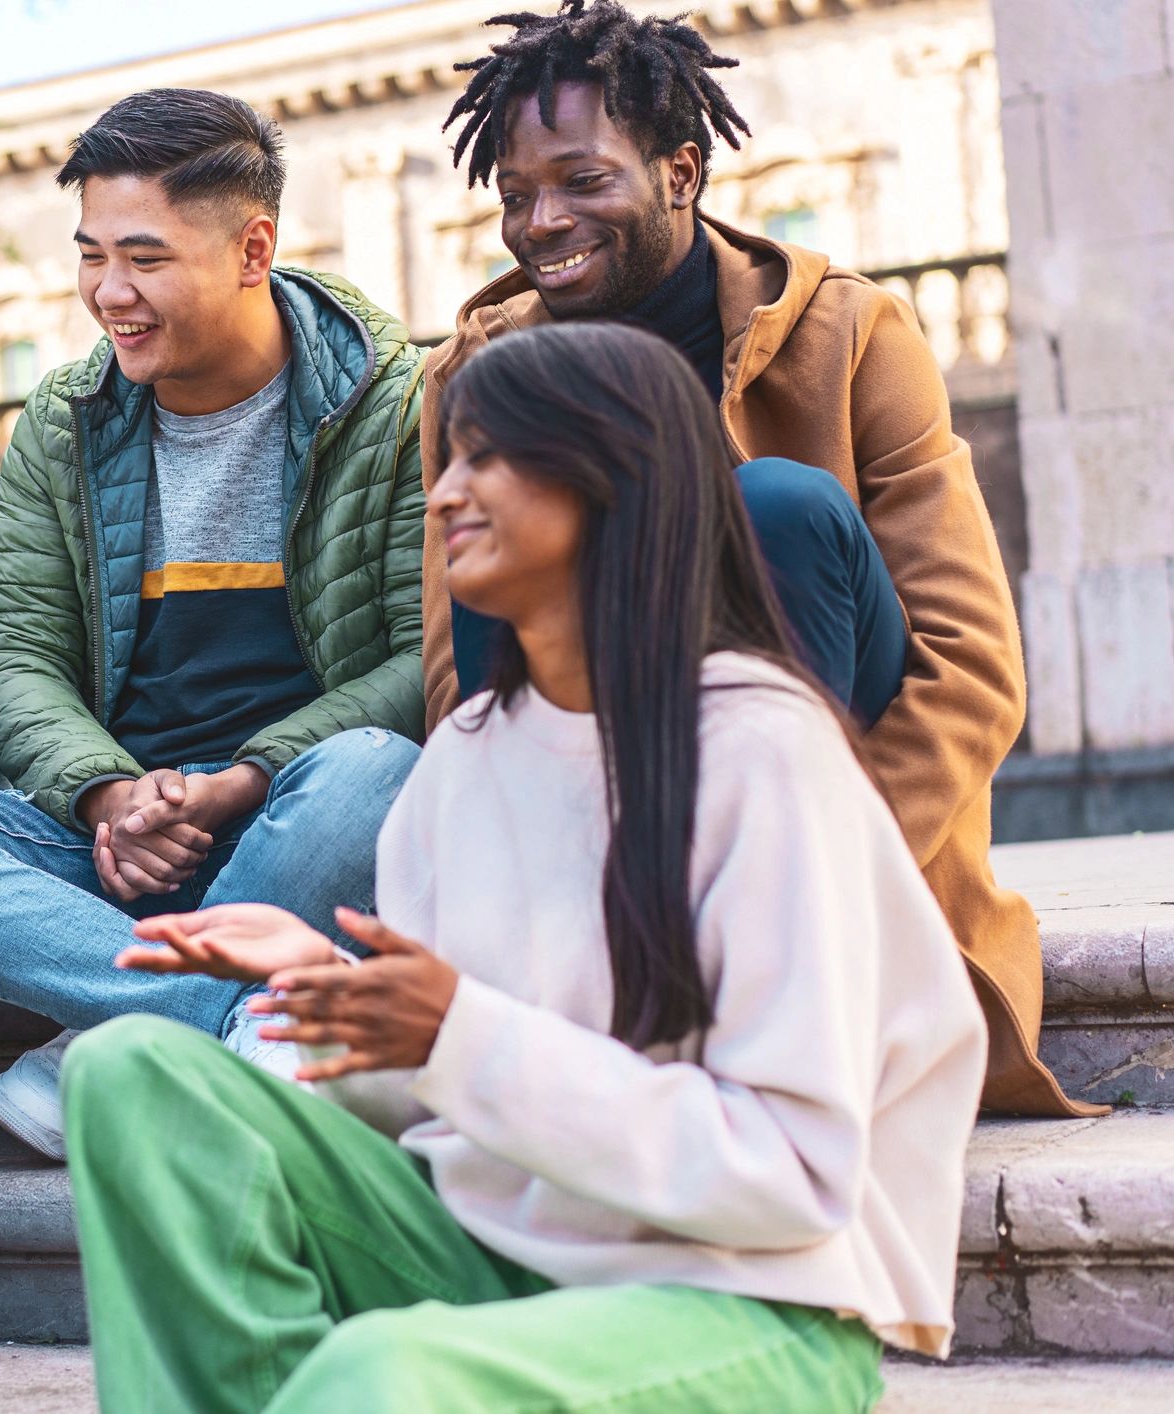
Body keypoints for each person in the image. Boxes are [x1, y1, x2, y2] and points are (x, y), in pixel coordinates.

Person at [64, 322, 988, 1413]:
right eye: (450, 457)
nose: (448, 493)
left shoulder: (761, 749)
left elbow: (792, 1175)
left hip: (748, 1302)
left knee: (383, 1373)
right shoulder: (464, 758)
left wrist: (455, 1027)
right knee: (133, 1074)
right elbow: (439, 1094)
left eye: (492, 456)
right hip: (498, 1258)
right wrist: (338, 995)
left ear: (619, 478)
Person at [417, 0, 1084, 1116]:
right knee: (501, 581)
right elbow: (459, 686)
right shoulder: (478, 377)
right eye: (517, 195)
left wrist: (796, 886)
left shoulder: (848, 335)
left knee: (774, 505)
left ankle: (784, 977)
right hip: (599, 847)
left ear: (682, 170)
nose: (542, 222)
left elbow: (971, 669)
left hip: (826, 851)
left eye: (583, 181)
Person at [0, 88, 428, 1162]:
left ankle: (102, 1028)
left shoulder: (395, 402)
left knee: (379, 765)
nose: (109, 292)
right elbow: (13, 657)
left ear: (253, 248)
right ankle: (203, 1021)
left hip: (295, 822)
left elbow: (425, 655)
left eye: (142, 258)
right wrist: (106, 791)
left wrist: (243, 778)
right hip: (109, 844)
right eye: (91, 255)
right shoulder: (64, 417)